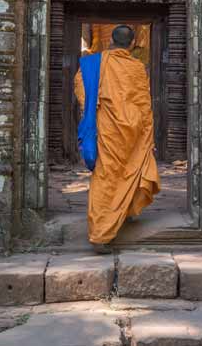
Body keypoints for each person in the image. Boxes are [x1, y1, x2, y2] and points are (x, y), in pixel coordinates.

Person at [74, 24, 160, 253]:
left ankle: (102, 231)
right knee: (133, 168)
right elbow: (144, 102)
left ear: (111, 40)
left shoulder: (94, 64)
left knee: (106, 177)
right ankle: (108, 227)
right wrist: (147, 132)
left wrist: (92, 106)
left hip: (108, 129)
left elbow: (80, 86)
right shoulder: (137, 67)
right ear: (132, 44)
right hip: (134, 128)